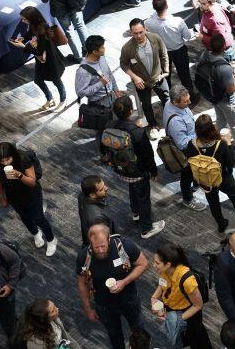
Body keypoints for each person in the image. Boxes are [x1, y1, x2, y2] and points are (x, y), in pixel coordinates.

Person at [76, 223, 148, 349]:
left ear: (109, 238)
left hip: (130, 301)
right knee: (115, 337)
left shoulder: (124, 246)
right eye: (96, 247)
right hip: (104, 307)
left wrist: (124, 281)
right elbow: (82, 284)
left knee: (139, 333)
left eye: (103, 246)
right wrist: (88, 309)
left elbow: (143, 263)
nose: (100, 250)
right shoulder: (84, 257)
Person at [105, 97, 165, 239]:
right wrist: (154, 172)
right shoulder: (137, 131)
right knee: (144, 198)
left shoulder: (109, 125)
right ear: (131, 111)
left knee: (132, 188)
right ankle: (146, 228)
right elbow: (148, 155)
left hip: (120, 168)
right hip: (138, 171)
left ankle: (136, 213)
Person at [0, 142, 58, 257]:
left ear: (13, 155)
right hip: (13, 196)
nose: (5, 163)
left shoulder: (23, 159)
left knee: (39, 218)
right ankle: (36, 233)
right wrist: (2, 197)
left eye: (7, 159)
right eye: (2, 161)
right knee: (25, 218)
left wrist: (19, 175)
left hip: (31, 194)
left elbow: (32, 182)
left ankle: (51, 240)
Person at [120, 18, 170, 138]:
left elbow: (164, 54)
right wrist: (134, 77)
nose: (139, 35)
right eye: (135, 33)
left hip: (158, 77)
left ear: (145, 29)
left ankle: (171, 121)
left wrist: (166, 71)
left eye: (141, 32)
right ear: (131, 33)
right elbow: (123, 64)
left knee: (167, 100)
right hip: (142, 83)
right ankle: (153, 125)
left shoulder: (155, 38)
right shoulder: (127, 48)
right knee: (146, 105)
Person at [9, 5, 67, 109]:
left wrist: (23, 46)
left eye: (24, 19)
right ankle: (50, 99)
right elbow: (31, 33)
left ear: (31, 18)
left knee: (56, 80)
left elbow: (39, 51)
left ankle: (63, 100)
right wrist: (23, 38)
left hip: (50, 59)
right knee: (38, 80)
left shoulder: (42, 30)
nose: (22, 21)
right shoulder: (34, 25)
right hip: (41, 59)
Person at [145, 0, 195, 97]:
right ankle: (191, 97)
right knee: (184, 75)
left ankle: (167, 98)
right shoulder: (177, 21)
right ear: (166, 6)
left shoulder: (148, 22)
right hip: (179, 51)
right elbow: (188, 36)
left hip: (162, 53)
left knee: (165, 77)